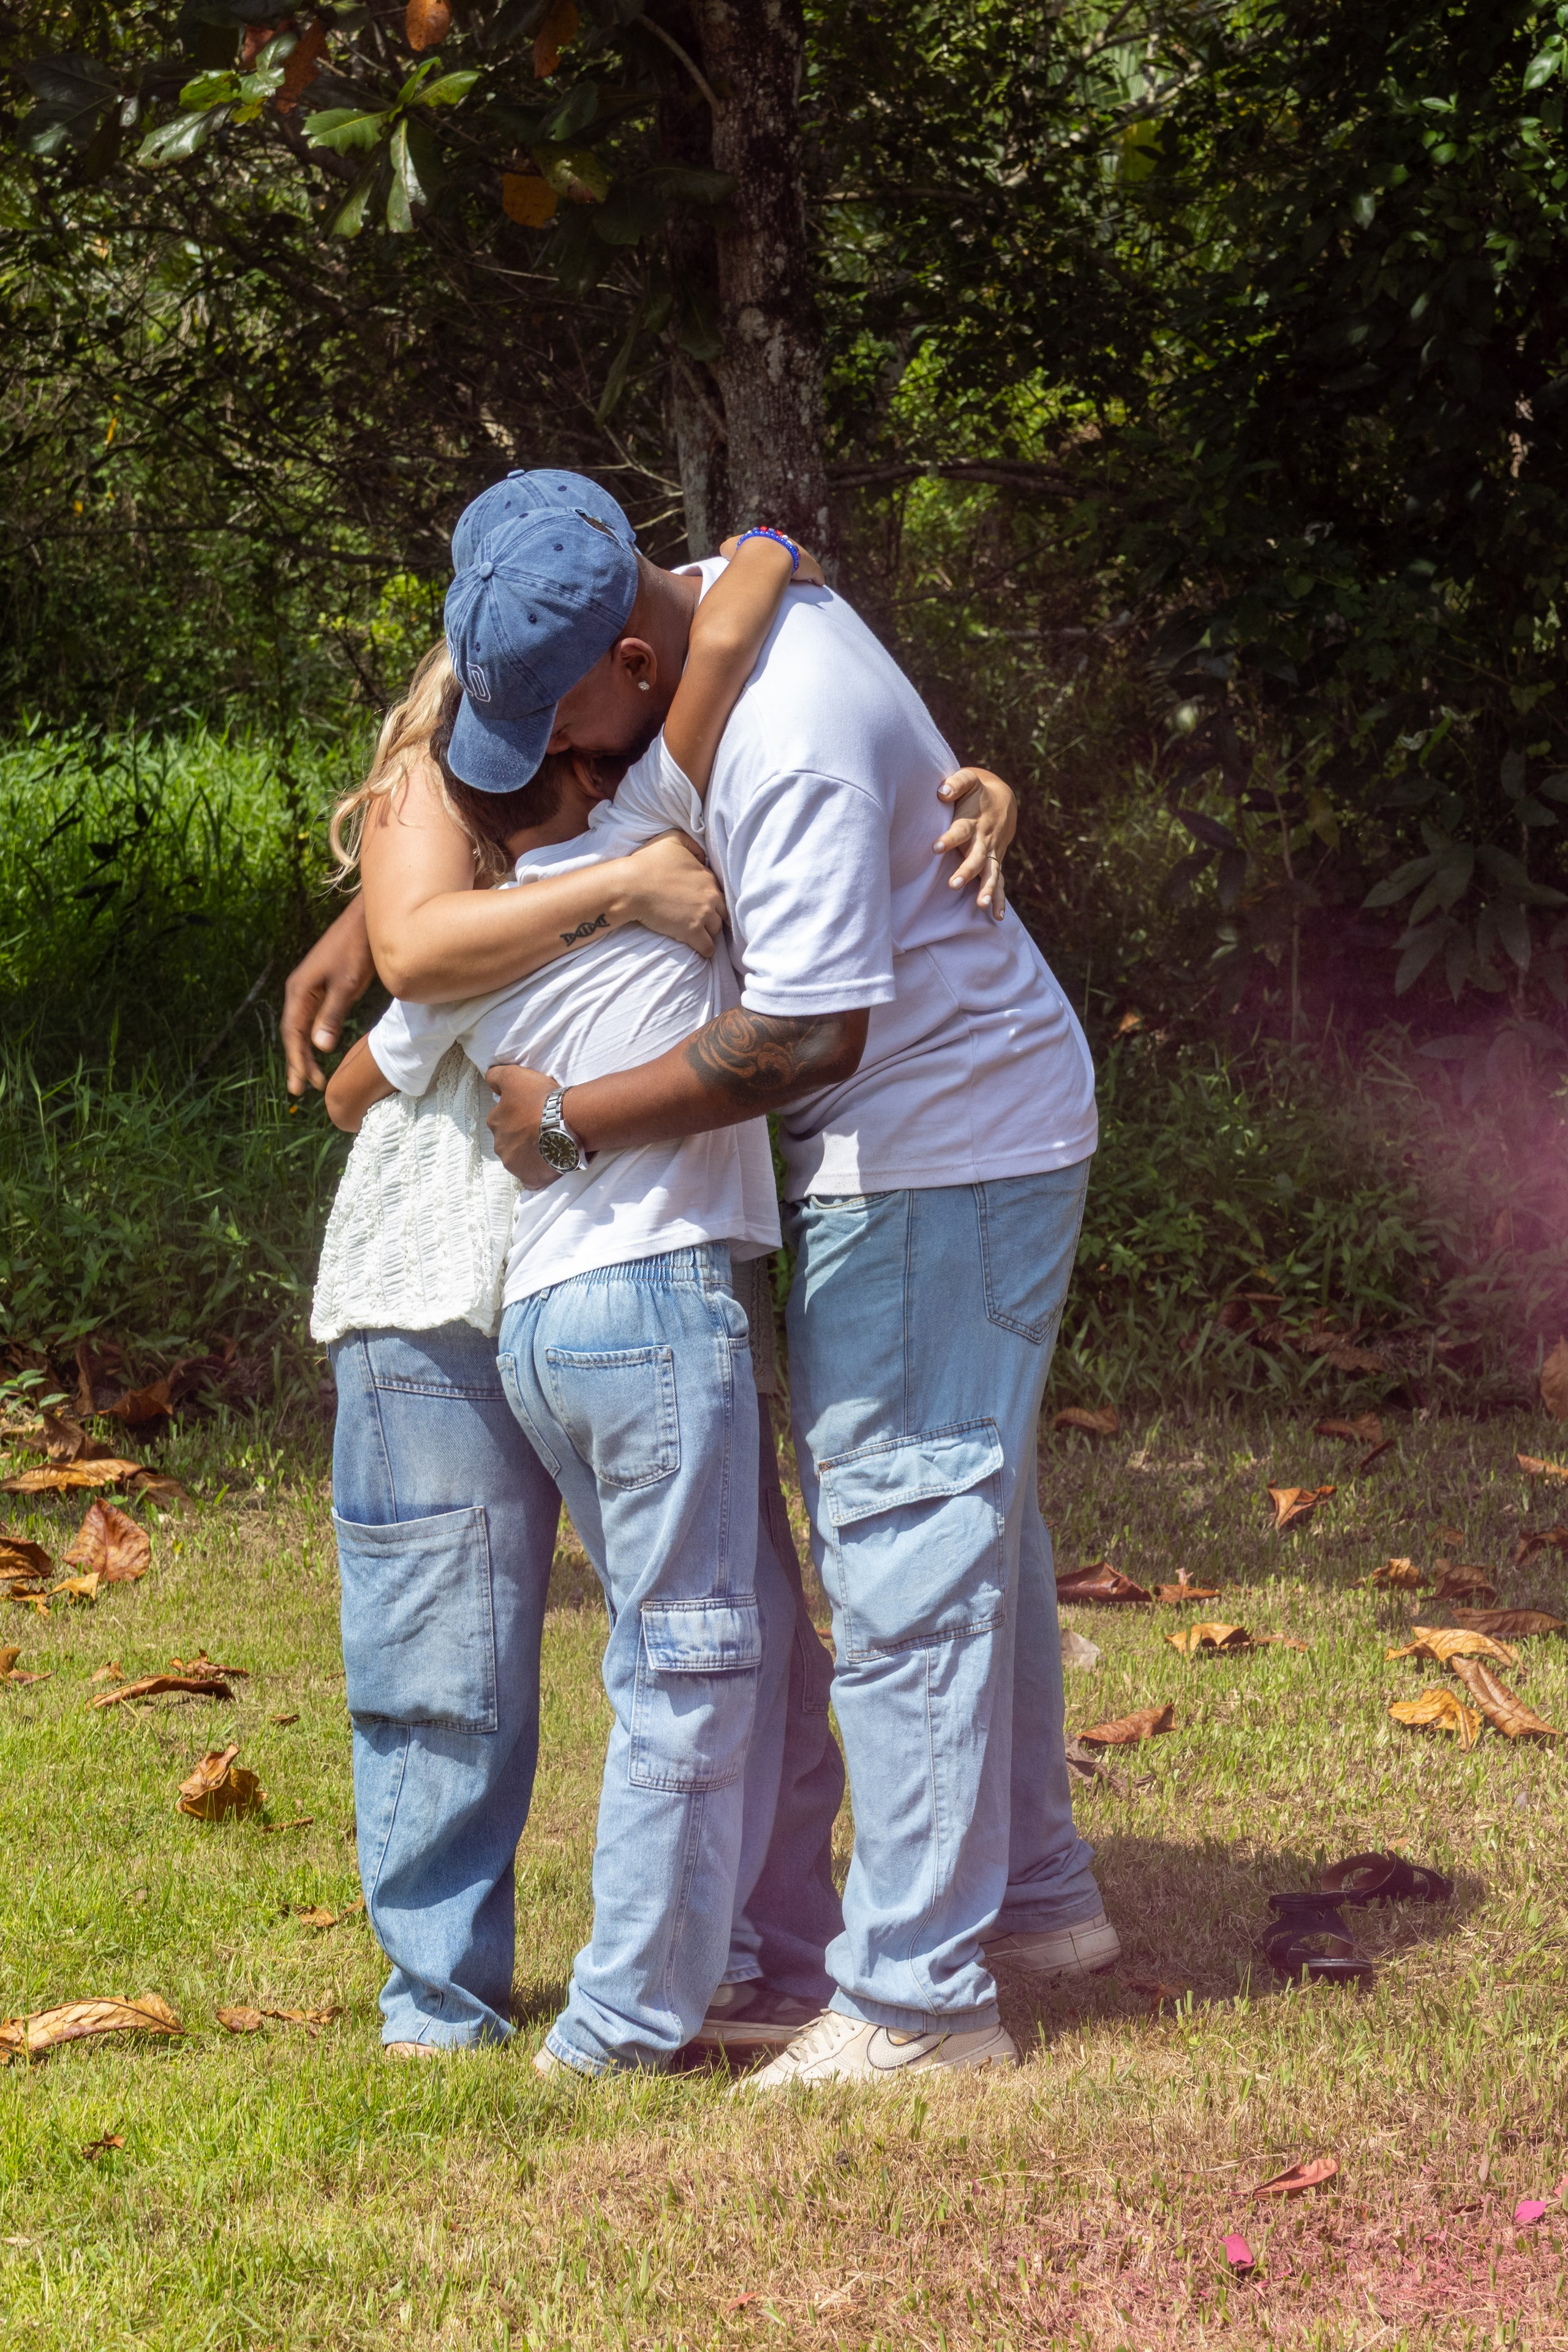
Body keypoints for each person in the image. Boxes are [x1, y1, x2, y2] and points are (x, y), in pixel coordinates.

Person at [475, 518, 1120, 2086]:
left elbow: (800, 1038)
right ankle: (1033, 1897)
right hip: (949, 1131)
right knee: (969, 1513)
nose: (553, 763)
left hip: (932, 1148)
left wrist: (563, 1123)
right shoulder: (695, 629)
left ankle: (914, 2001)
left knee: (906, 1528)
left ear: (632, 662)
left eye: (558, 728)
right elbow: (765, 554)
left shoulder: (794, 740)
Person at [325, 521, 830, 2074]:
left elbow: (735, 601)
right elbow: (380, 1032)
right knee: (446, 1671)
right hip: (457, 1283)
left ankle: (761, 1956)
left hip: (589, 1279)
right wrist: (612, 900)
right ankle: (447, 2007)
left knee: (739, 1646)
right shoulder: (526, 852)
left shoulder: (630, 786)